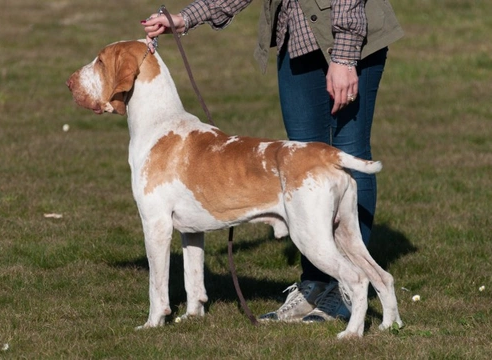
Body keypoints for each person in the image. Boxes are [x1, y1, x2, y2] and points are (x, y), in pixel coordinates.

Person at [141, 0, 403, 323]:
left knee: (350, 154)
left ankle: (346, 288)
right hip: (298, 40)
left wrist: (345, 55)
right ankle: (316, 284)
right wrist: (186, 19)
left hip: (353, 33)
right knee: (303, 171)